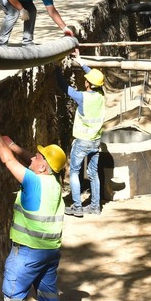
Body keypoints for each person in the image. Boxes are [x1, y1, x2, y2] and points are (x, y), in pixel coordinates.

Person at [0, 112, 66, 301]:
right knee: (48, 295)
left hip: (28, 254)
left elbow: (8, 161)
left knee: (14, 298)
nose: (33, 156)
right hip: (50, 252)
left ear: (43, 166)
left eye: (38, 156)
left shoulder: (33, 181)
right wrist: (13, 145)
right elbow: (30, 160)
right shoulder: (54, 181)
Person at [56, 54, 106, 217]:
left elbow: (65, 87)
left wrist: (56, 69)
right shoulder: (101, 95)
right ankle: (95, 206)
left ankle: (77, 206)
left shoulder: (82, 97)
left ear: (88, 84)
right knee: (93, 174)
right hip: (95, 141)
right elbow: (95, 77)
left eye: (86, 79)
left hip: (82, 141)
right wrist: (81, 62)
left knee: (75, 172)